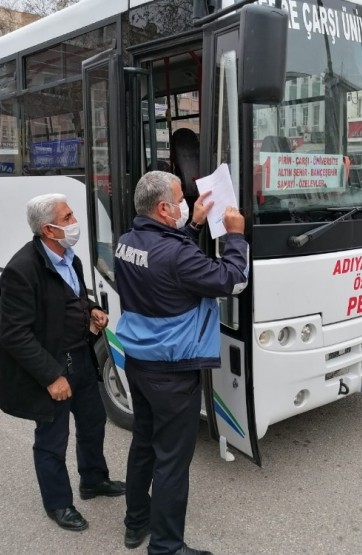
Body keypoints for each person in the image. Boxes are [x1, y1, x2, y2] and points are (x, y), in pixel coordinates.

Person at [116, 171, 249, 555]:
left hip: (139, 364)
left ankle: (135, 524)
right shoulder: (175, 254)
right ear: (162, 208)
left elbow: (168, 264)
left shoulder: (128, 242)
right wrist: (235, 236)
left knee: (144, 445)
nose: (185, 204)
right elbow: (232, 280)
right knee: (172, 462)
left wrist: (192, 225)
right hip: (173, 372)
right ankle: (167, 548)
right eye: (180, 200)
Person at [0, 193, 125, 532]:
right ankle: (58, 504)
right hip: (53, 368)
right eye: (67, 218)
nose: (74, 223)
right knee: (53, 440)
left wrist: (92, 310)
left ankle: (94, 480)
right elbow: (14, 334)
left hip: (81, 357)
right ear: (48, 230)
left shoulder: (71, 259)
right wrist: (52, 376)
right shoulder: (22, 270)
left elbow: (74, 298)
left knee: (93, 423)